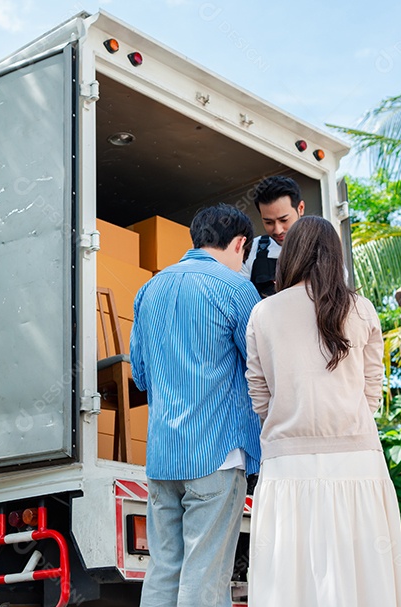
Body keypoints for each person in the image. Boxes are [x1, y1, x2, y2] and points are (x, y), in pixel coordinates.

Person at [244, 216, 401, 607]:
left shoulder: (264, 313)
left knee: (290, 580)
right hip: (357, 462)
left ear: (291, 256)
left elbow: (259, 394)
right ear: (335, 255)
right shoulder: (362, 309)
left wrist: (290, 422)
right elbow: (372, 389)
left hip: (288, 466)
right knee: (362, 575)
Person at [131, 203, 263, 607]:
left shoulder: (150, 289)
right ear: (240, 244)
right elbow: (259, 368)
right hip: (216, 454)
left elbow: (140, 375)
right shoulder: (237, 289)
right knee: (205, 577)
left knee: (163, 570)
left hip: (162, 457)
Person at [239, 175, 305, 297]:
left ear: (300, 208)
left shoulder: (323, 249)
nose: (278, 230)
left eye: (284, 220)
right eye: (269, 222)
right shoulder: (251, 250)